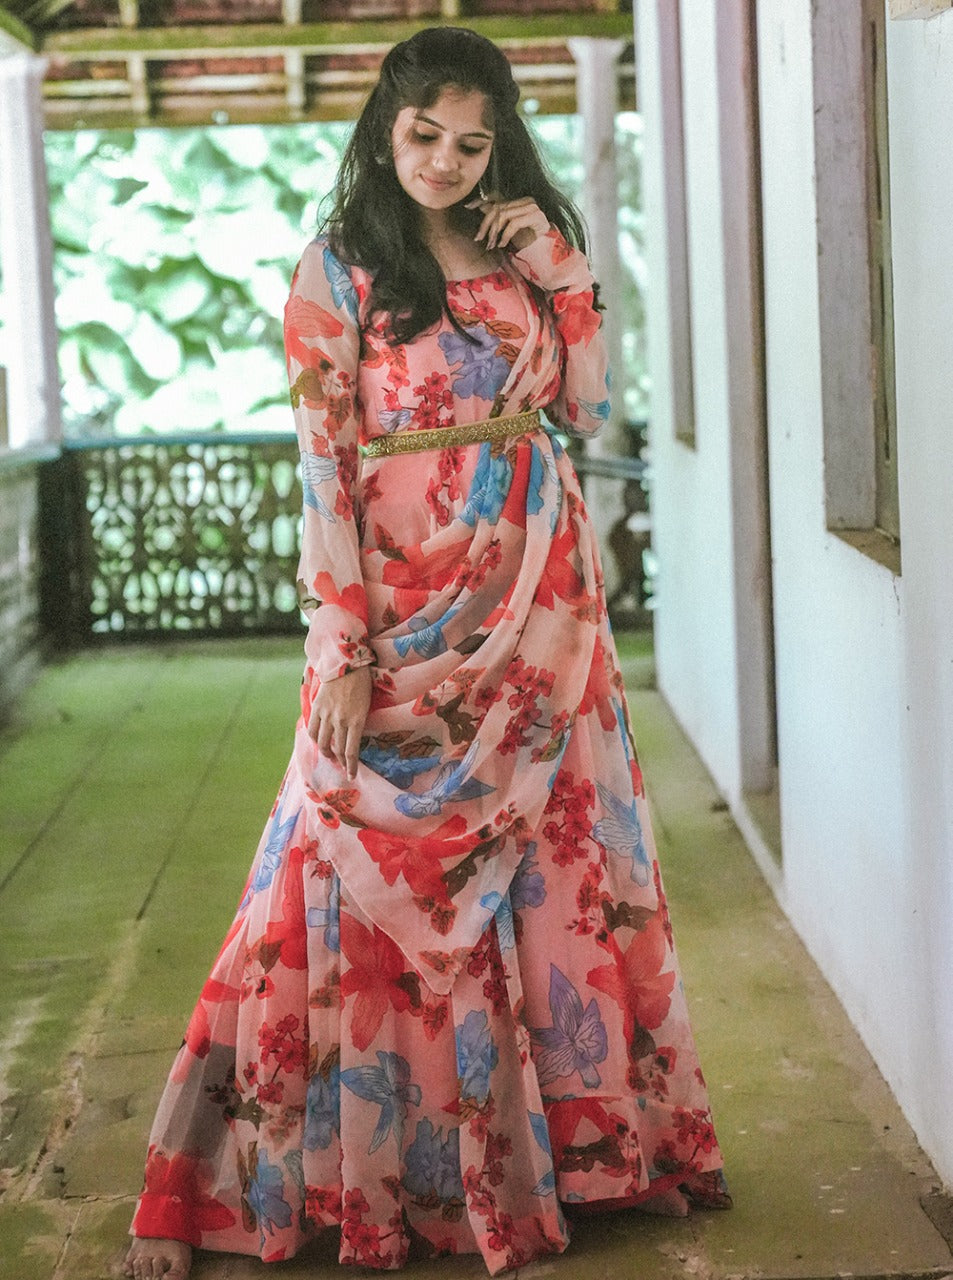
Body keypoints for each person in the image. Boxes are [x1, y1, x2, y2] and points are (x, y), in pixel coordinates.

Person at [124, 25, 729, 1280]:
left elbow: (583, 408)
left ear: (498, 144)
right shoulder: (338, 269)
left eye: (471, 141)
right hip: (399, 609)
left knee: (560, 862)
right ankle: (280, 1174)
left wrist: (564, 274)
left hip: (540, 604)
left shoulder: (521, 252)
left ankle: (588, 1157)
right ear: (382, 129)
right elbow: (322, 463)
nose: (446, 161)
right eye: (422, 135)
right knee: (328, 846)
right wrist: (341, 641)